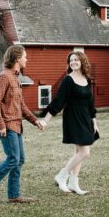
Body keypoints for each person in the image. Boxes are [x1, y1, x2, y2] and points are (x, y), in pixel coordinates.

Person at [0, 45, 44, 208]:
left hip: (17, 125)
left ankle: (14, 195)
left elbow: (22, 106)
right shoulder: (4, 77)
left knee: (20, 160)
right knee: (13, 159)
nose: (27, 59)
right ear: (17, 58)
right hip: (7, 126)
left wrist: (36, 121)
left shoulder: (15, 79)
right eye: (25, 56)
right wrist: (0, 125)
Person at [38, 50, 98, 195]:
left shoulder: (87, 79)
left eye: (76, 59)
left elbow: (90, 103)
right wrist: (46, 120)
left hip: (85, 117)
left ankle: (73, 184)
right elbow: (59, 101)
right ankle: (62, 175)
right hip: (73, 117)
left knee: (79, 151)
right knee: (85, 152)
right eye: (71, 60)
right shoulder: (68, 80)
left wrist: (94, 122)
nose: (73, 62)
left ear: (82, 61)